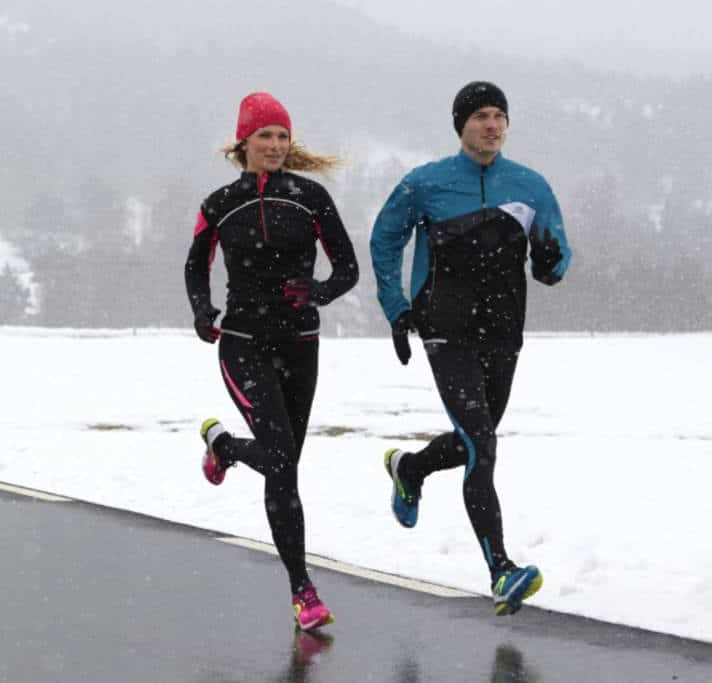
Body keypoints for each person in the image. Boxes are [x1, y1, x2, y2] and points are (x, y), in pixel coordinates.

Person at [370, 81, 571, 616]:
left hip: (504, 332)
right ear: (461, 125)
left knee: (472, 441)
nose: (492, 124)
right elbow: (384, 239)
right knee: (482, 443)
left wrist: (550, 261)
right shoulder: (426, 184)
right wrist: (397, 307)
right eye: (481, 115)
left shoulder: (530, 186)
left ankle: (410, 469)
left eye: (499, 115)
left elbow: (556, 259)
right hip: (445, 328)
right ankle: (501, 569)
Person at [184, 92, 359, 631]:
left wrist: (320, 292)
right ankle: (302, 590)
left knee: (285, 467)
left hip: (300, 345)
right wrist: (202, 311)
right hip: (242, 342)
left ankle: (224, 446)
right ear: (245, 142)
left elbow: (348, 268)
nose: (276, 146)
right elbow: (195, 267)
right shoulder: (219, 204)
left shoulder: (311, 198)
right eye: (266, 136)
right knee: (281, 457)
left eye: (283, 137)